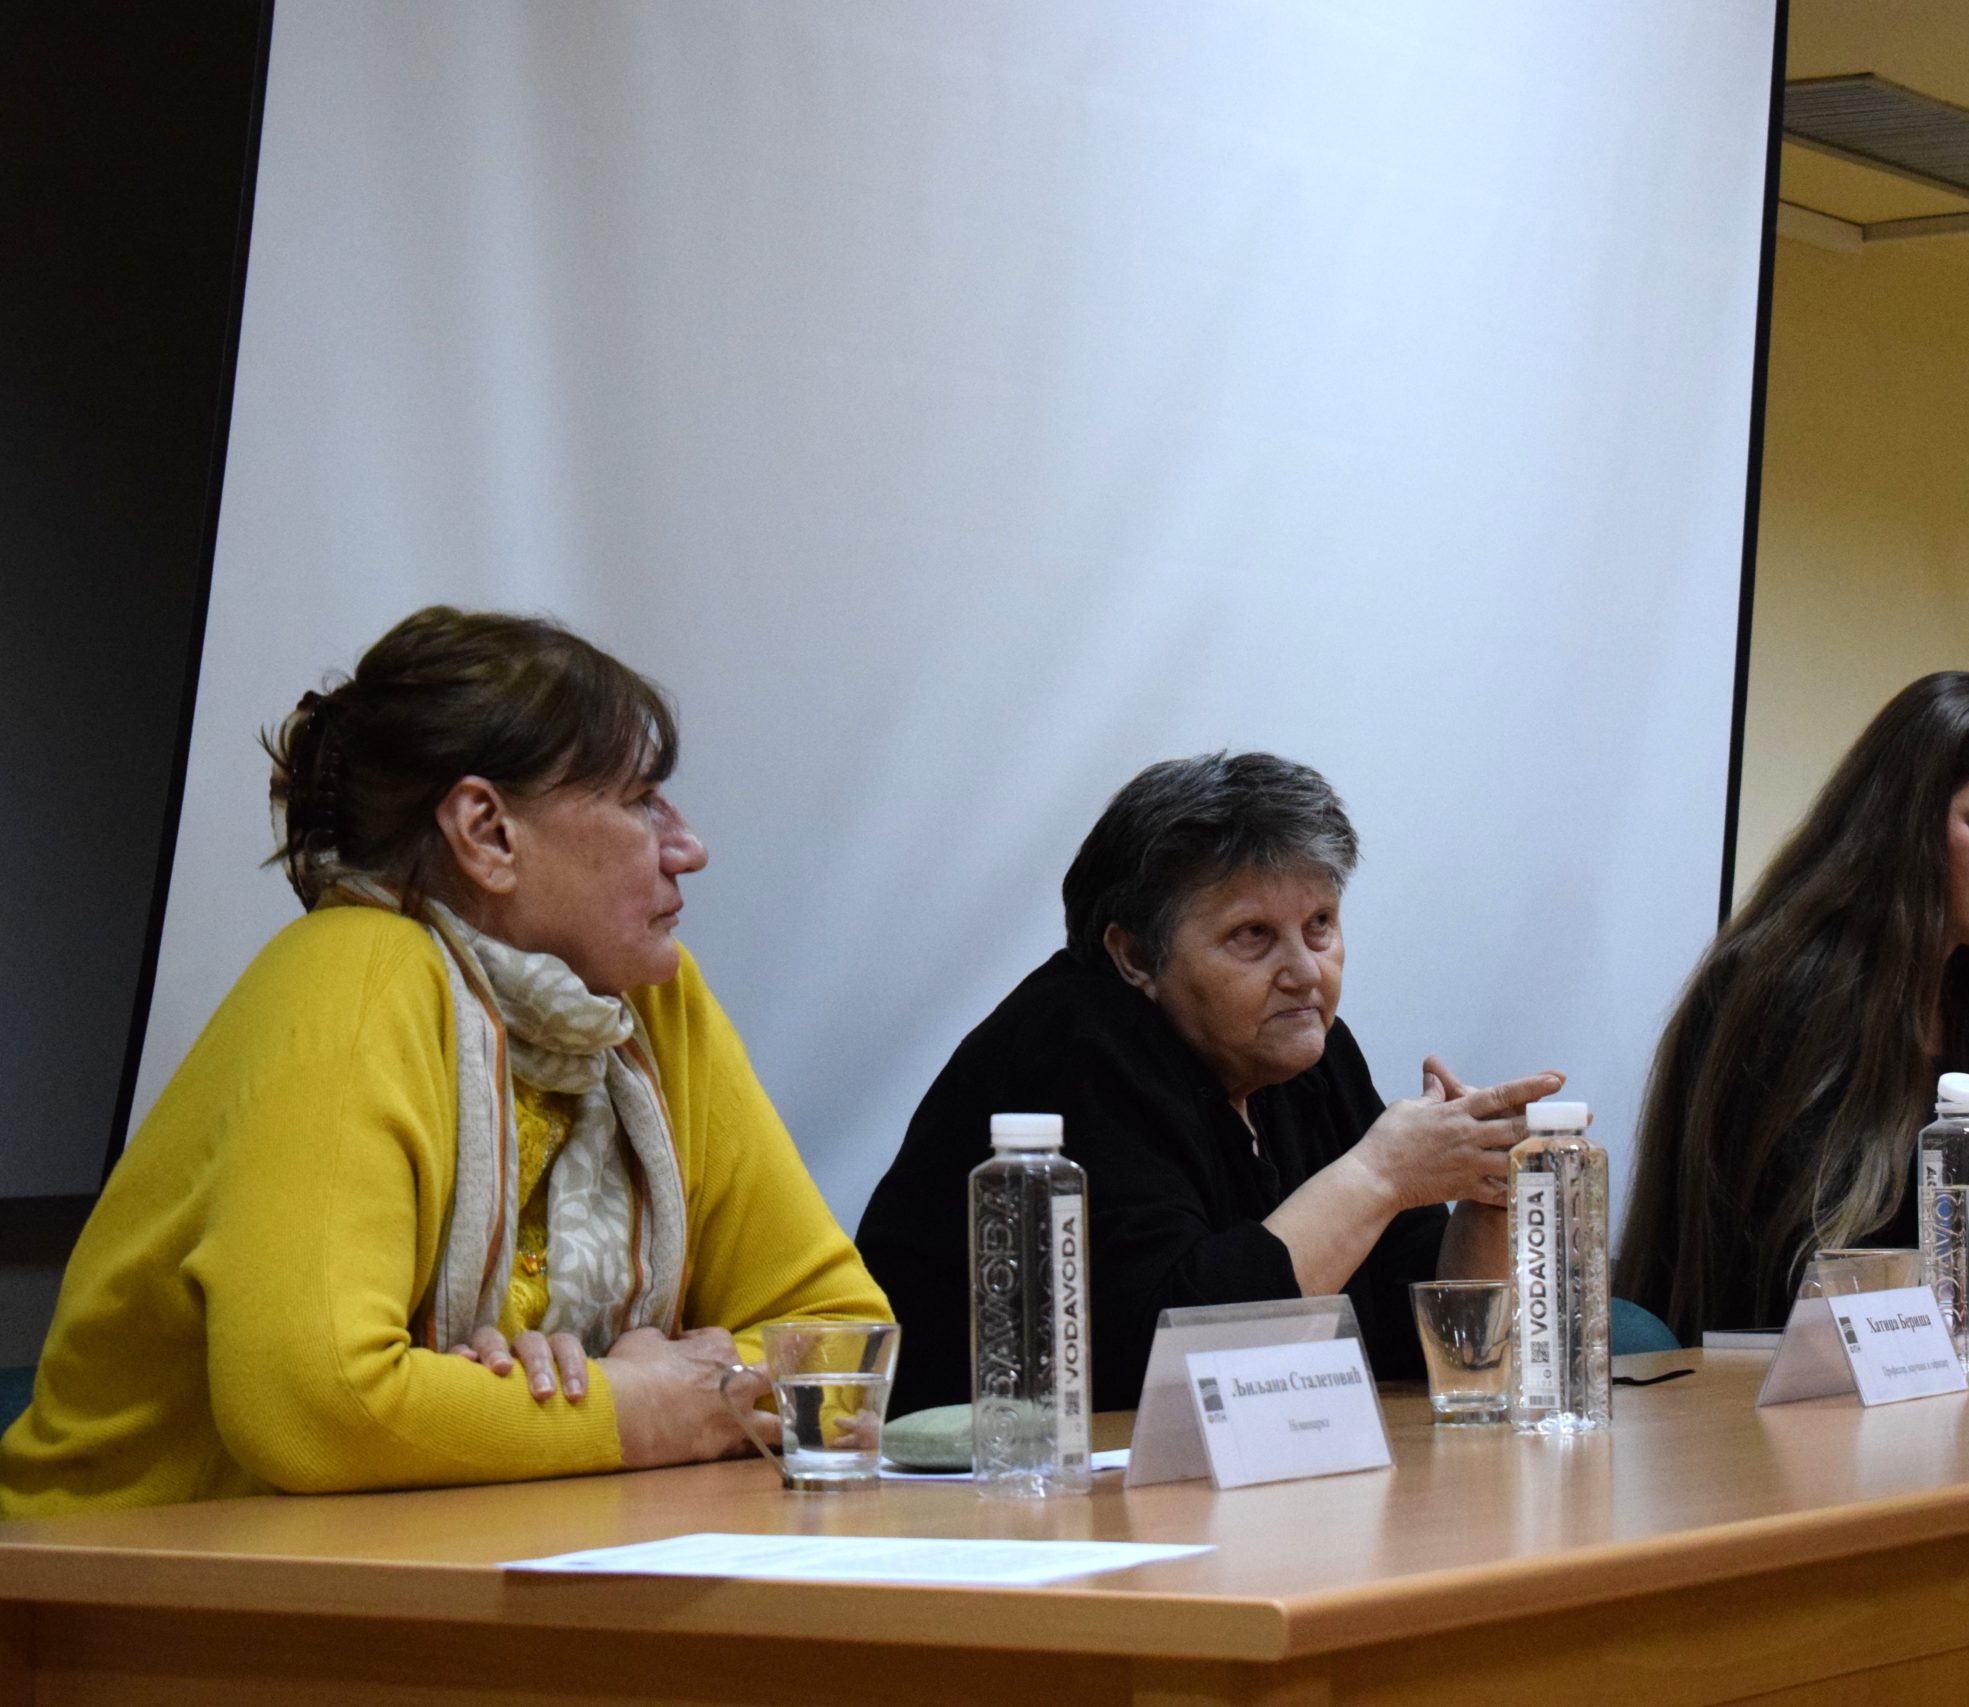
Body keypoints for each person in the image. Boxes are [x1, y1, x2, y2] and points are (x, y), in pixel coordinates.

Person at [0, 608, 889, 1518]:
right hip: (105, 1581)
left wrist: (618, 1395)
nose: (687, 847)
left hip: (429, 1558)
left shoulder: (650, 1003)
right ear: (487, 832)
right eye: (639, 800)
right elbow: (317, 1408)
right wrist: (633, 1411)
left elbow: (844, 1343)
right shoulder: (351, 975)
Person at [858, 751, 1562, 1414]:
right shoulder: (1073, 1047)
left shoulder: (1308, 1055)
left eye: (1319, 924)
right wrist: (1379, 1175)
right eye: (1252, 935)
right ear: (1135, 956)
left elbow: (1431, 1347)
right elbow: (1177, 1352)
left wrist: (1485, 1191)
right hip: (974, 1476)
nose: (1305, 971)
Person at [1617, 671, 1969, 1340]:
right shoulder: (1775, 987)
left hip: (1941, 1375)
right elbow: (1794, 1270)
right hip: (1761, 1379)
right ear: (1903, 819)